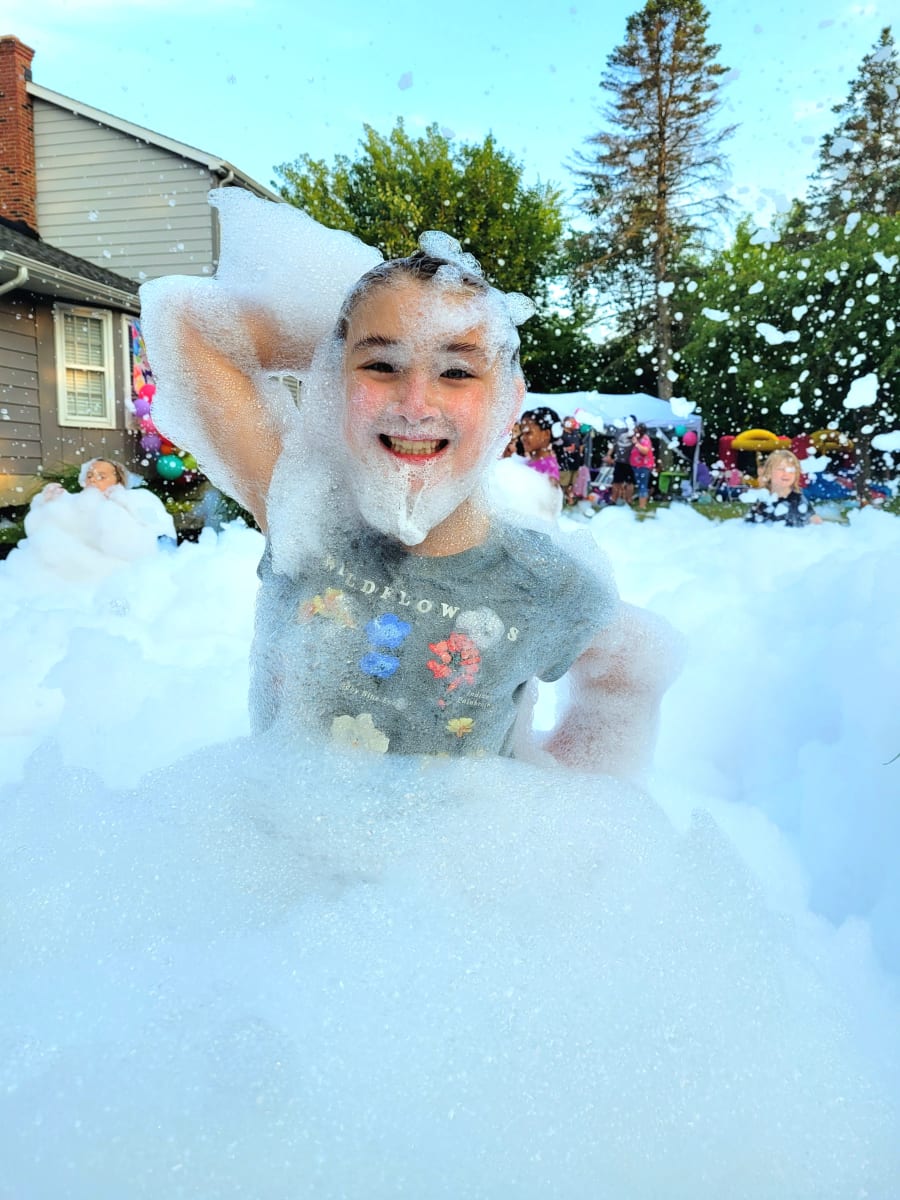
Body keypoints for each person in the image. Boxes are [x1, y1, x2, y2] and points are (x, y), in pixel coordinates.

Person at [139, 189, 677, 775]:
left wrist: (561, 803)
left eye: (457, 371)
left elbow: (628, 675)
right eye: (381, 366)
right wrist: (352, 333)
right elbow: (189, 323)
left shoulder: (547, 584)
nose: (415, 405)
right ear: (334, 382)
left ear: (507, 402)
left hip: (472, 834)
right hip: (275, 825)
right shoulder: (308, 515)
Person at [14, 457, 177, 582]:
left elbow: (157, 528)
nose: (92, 479)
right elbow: (41, 531)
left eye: (101, 476)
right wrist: (44, 503)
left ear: (118, 481)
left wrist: (123, 501)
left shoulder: (137, 497)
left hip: (123, 576)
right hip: (74, 575)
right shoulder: (74, 503)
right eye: (90, 475)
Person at [743, 449, 823, 526]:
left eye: (791, 469)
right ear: (769, 473)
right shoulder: (763, 501)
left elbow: (815, 523)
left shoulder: (799, 500)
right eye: (781, 469)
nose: (786, 473)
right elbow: (750, 528)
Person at [605, 418, 636, 506]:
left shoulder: (634, 432)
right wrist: (608, 455)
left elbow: (637, 445)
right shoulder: (619, 432)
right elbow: (613, 444)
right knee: (617, 481)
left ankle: (629, 500)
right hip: (619, 461)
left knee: (630, 482)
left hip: (630, 461)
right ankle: (613, 499)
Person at [629, 423, 656, 511]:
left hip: (643, 466)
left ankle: (642, 506)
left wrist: (636, 443)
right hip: (636, 466)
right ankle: (640, 504)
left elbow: (645, 451)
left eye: (636, 429)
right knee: (640, 485)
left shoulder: (645, 439)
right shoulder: (637, 438)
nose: (634, 430)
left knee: (643, 486)